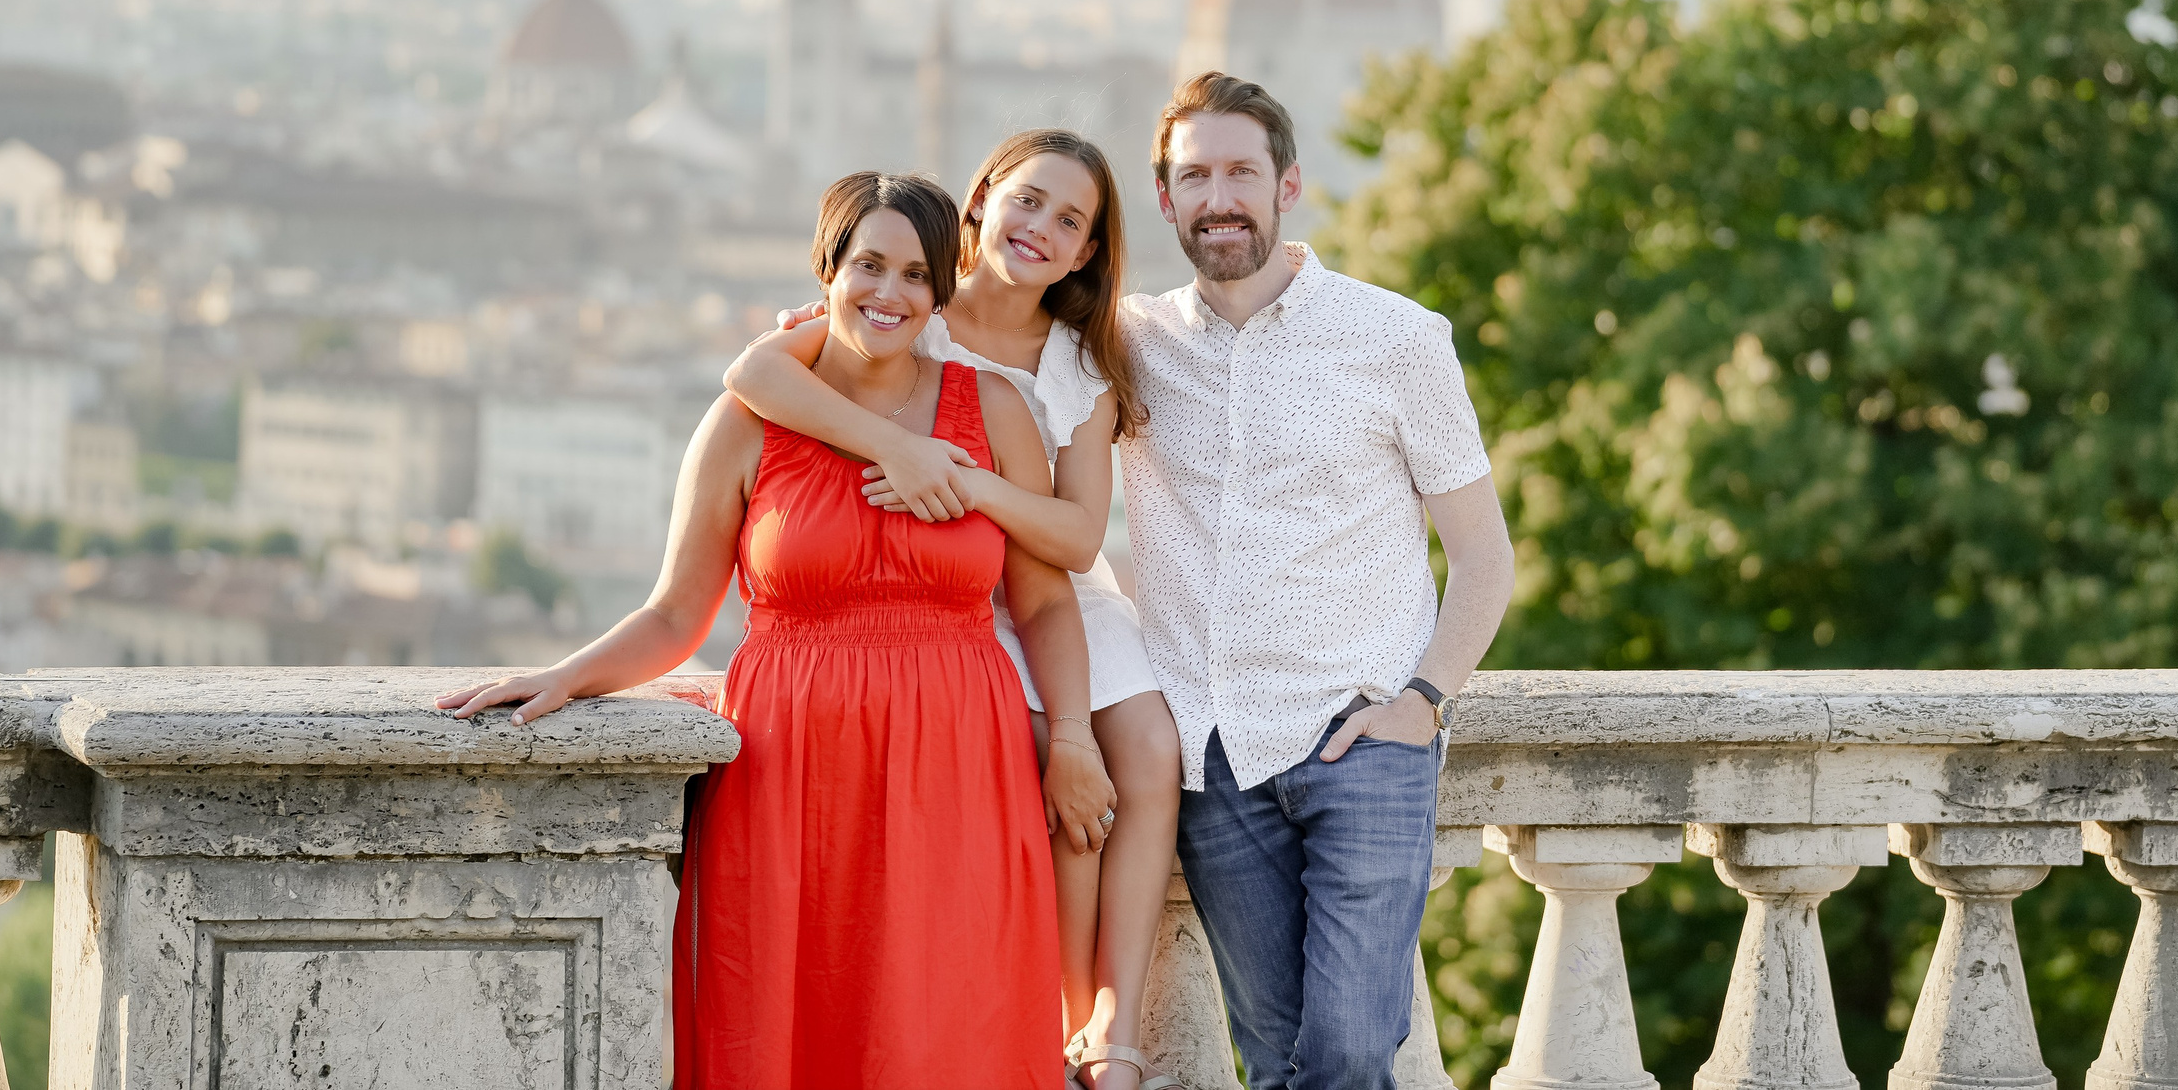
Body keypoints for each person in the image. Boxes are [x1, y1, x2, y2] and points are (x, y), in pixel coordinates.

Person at [439, 171, 1113, 1090]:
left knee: (952, 1023)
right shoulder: (745, 422)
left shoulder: (992, 411)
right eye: (868, 264)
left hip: (959, 765)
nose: (891, 293)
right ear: (826, 270)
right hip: (791, 774)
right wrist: (569, 674)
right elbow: (679, 610)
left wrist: (1071, 735)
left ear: (940, 290)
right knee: (786, 1022)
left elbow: (1041, 602)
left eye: (917, 275)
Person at [727, 130, 1184, 1090]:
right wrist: (899, 450)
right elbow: (757, 376)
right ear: (981, 199)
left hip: (1045, 581)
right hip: (947, 592)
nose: (1042, 228)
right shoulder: (907, 300)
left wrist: (964, 484)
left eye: (1071, 220)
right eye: (1029, 200)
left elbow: (1074, 540)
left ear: (1090, 252)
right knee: (1027, 753)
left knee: (1143, 749)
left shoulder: (1079, 365)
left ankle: (1112, 1017)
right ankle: (1059, 999)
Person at [1130, 71, 1516, 1090]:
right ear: (1164, 197)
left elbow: (1484, 555)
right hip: (1213, 756)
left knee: (1346, 1047)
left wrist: (1424, 702)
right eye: (1194, 175)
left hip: (1363, 740)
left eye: (1240, 172)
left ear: (1286, 185)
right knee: (1278, 1058)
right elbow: (971, 341)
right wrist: (805, 335)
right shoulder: (1127, 346)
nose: (1219, 196)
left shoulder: (1396, 339)